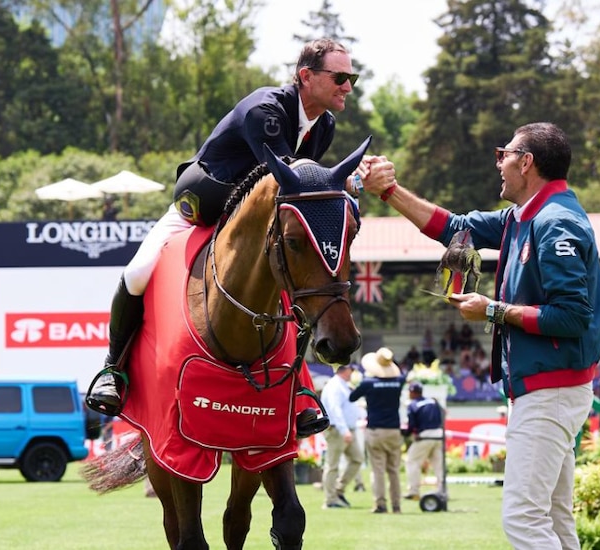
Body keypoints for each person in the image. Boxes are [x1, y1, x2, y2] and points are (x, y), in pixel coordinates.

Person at [84, 37, 396, 416]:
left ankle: (299, 392)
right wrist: (356, 181)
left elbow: (304, 198)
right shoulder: (265, 111)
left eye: (352, 77)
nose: (348, 86)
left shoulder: (324, 125)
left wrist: (353, 188)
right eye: (340, 77)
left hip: (251, 226)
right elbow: (286, 178)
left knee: (296, 281)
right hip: (203, 206)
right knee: (137, 271)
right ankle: (112, 370)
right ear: (306, 76)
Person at [362, 122, 600, 548]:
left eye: (503, 154)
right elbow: (453, 226)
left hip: (551, 389)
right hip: (552, 386)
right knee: (554, 517)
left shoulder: (555, 222)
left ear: (526, 162)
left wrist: (492, 310)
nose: (499, 164)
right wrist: (389, 192)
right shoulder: (524, 216)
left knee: (523, 520)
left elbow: (571, 317)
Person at [350, 347, 406, 513]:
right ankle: (396, 505)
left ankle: (380, 504)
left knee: (378, 470)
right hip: (394, 430)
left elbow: (352, 397)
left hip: (375, 430)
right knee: (394, 470)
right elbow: (401, 375)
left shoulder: (368, 383)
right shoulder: (399, 381)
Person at [320, 364, 364, 509]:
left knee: (357, 459)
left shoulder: (343, 385)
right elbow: (335, 410)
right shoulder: (335, 386)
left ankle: (338, 490)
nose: (352, 373)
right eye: (351, 370)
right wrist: (344, 430)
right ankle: (330, 499)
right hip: (338, 430)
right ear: (346, 370)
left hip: (347, 429)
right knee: (332, 465)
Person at [403, 382, 444, 501]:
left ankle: (414, 491)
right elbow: (442, 415)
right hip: (438, 434)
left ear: (412, 392)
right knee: (439, 465)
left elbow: (412, 425)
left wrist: (407, 433)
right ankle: (443, 490)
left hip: (425, 436)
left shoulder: (413, 405)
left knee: (412, 462)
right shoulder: (433, 401)